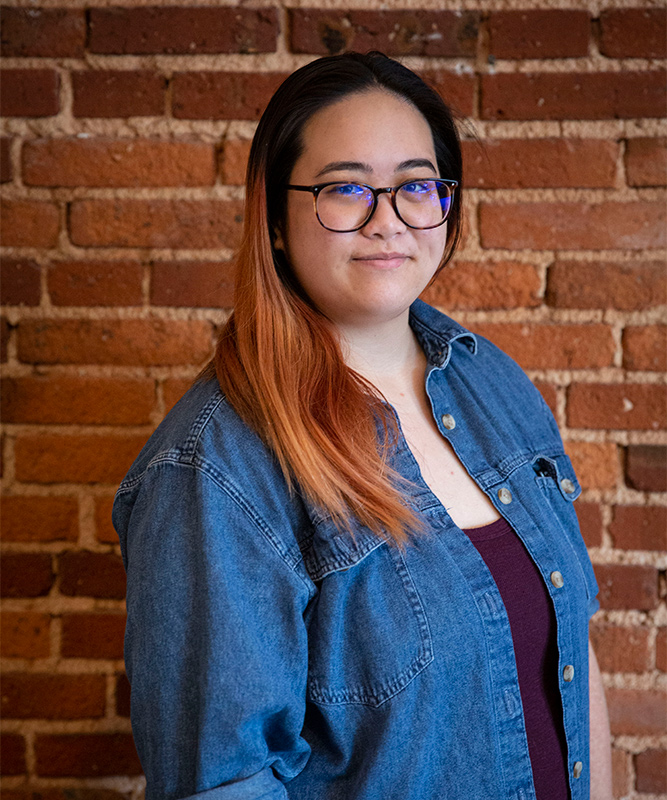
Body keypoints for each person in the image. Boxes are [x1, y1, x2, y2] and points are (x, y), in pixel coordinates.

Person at [113, 52, 612, 800]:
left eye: (416, 186)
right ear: (275, 221)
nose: (388, 221)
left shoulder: (490, 383)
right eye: (345, 189)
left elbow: (573, 653)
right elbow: (223, 783)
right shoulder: (214, 467)